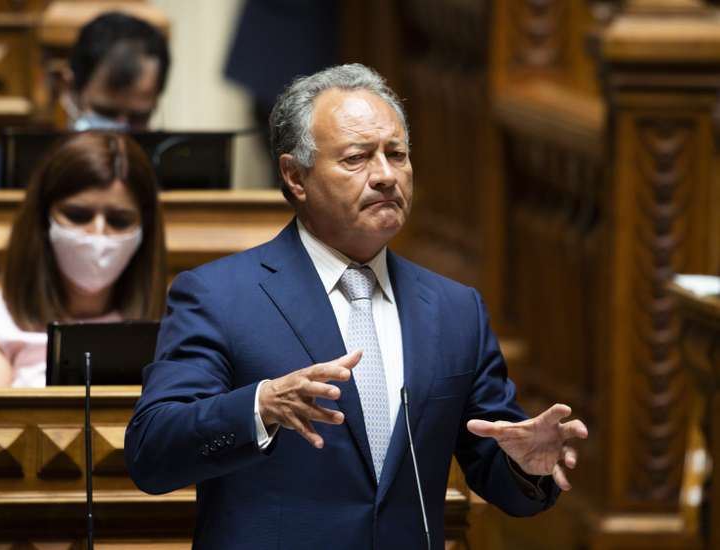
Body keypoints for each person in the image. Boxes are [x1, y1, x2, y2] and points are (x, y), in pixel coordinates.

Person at [124, 64, 588, 548]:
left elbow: (497, 469)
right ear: (294, 176)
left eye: (398, 154)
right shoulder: (219, 296)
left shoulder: (455, 310)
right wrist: (260, 405)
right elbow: (152, 453)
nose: (386, 176)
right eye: (357, 158)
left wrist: (526, 465)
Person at [0, 131, 167, 387]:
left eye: (119, 220)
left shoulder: (175, 319)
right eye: (77, 215)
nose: (98, 233)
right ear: (42, 219)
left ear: (145, 229)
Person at [0, 11, 171, 189]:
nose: (121, 129)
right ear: (68, 88)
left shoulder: (175, 176)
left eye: (139, 118)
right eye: (105, 113)